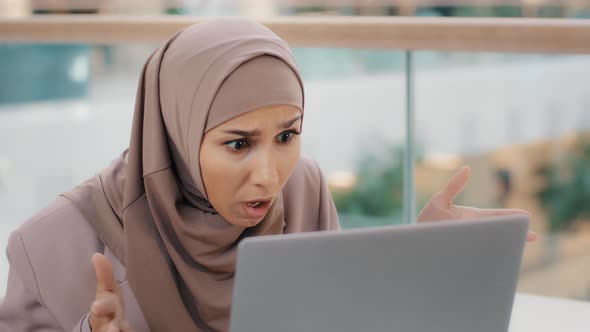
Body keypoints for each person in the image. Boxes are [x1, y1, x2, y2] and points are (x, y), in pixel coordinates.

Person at [0, 18, 536, 332]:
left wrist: (416, 267)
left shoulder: (304, 190)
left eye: (287, 136)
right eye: (238, 144)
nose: (269, 176)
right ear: (177, 138)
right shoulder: (50, 245)